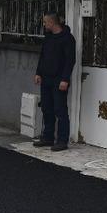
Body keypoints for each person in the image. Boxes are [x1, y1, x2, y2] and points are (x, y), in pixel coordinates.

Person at [33, 12, 77, 152]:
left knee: (60, 110)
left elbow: (70, 60)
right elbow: (43, 56)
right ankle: (48, 137)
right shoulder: (48, 37)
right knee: (46, 108)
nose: (44, 25)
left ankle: (62, 141)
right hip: (46, 78)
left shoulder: (67, 39)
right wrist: (38, 73)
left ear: (53, 23)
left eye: (46, 22)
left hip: (59, 80)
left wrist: (65, 79)